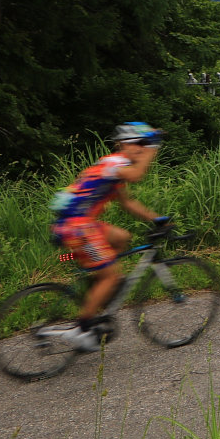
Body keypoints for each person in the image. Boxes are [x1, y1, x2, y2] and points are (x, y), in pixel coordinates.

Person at [49, 122, 169, 351]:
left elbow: (128, 203)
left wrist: (157, 219)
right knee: (111, 276)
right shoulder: (115, 163)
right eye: (140, 144)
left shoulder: (113, 170)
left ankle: (97, 287)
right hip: (78, 228)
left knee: (122, 237)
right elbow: (136, 175)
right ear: (125, 144)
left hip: (79, 225)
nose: (143, 150)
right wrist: (153, 146)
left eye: (145, 145)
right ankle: (83, 328)